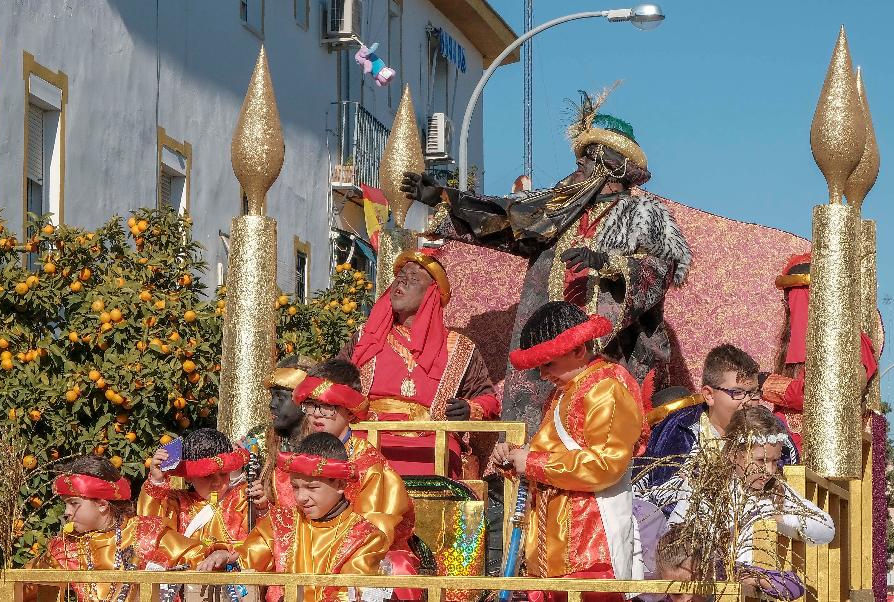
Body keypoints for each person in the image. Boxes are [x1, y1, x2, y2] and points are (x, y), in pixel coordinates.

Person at [402, 87, 692, 434]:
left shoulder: (643, 213)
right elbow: (505, 223)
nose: (579, 167)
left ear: (610, 166)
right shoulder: (558, 210)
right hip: (547, 350)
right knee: (538, 434)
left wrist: (605, 261)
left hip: (610, 352)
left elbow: (659, 273)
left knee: (599, 435)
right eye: (580, 160)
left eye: (587, 160)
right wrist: (444, 199)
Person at [491, 302, 647, 602]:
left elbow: (605, 465)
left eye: (547, 363)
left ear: (577, 351)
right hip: (553, 549)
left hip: (588, 546)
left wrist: (532, 463)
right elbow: (556, 451)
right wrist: (516, 458)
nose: (543, 373)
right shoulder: (564, 391)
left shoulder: (606, 388)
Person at [350, 248, 498, 477]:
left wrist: (470, 408)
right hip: (370, 434)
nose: (402, 282)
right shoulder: (365, 337)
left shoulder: (460, 347)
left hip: (433, 439)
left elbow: (488, 399)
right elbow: (335, 382)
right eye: (400, 277)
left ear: (431, 293)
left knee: (446, 453)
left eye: (413, 279)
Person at [197, 433, 394, 602]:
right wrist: (227, 558)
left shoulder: (366, 537)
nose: (301, 497)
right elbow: (249, 559)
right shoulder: (282, 522)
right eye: (295, 487)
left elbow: (351, 594)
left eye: (312, 487)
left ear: (340, 485)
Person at [665, 405, 830, 601]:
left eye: (775, 461)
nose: (769, 470)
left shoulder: (776, 492)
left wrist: (780, 518)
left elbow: (826, 528)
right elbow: (674, 532)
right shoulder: (706, 487)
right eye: (761, 460)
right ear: (735, 454)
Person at [291, 359, 419, 585]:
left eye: (328, 407)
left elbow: (374, 528)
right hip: (305, 546)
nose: (316, 414)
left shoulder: (370, 466)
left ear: (350, 413)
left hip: (359, 553)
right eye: (311, 405)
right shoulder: (299, 457)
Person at [13, 456, 209, 602]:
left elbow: (203, 560)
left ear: (102, 505)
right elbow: (20, 586)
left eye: (73, 503)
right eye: (66, 504)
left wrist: (219, 555)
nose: (66, 512)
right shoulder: (65, 547)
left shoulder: (145, 534)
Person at [764, 254, 878, 452]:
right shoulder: (792, 344)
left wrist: (768, 385)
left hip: (828, 453)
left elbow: (826, 392)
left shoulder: (849, 342)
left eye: (797, 297)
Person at [636, 345, 783, 498]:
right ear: (709, 395)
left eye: (753, 392)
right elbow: (656, 494)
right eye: (737, 392)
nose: (748, 401)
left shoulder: (771, 430)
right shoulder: (680, 430)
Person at [140, 428, 258, 547]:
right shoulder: (177, 503)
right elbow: (151, 531)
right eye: (207, 476)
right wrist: (156, 481)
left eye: (223, 473)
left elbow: (255, 545)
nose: (217, 483)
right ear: (188, 477)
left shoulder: (242, 500)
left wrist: (261, 508)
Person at [263, 354, 312, 510]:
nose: (272, 404)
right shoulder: (258, 441)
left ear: (303, 401)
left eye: (280, 397)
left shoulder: (321, 444)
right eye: (272, 396)